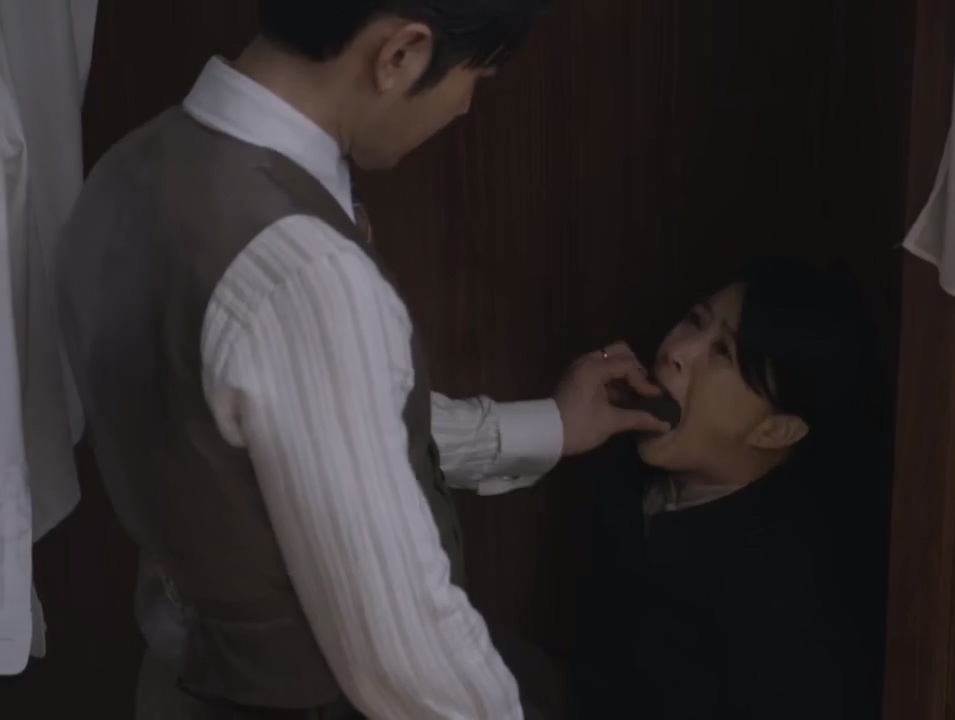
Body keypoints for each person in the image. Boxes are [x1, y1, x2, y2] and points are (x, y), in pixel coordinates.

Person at [54, 1, 670, 718]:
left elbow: (278, 435)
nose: (466, 105)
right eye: (476, 76)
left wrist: (547, 426)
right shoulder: (304, 271)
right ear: (400, 54)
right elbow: (403, 647)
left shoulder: (124, 172)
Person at [571, 257, 892, 719]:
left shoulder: (784, 597)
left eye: (722, 353)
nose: (676, 351)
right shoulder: (623, 464)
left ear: (775, 430)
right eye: (694, 320)